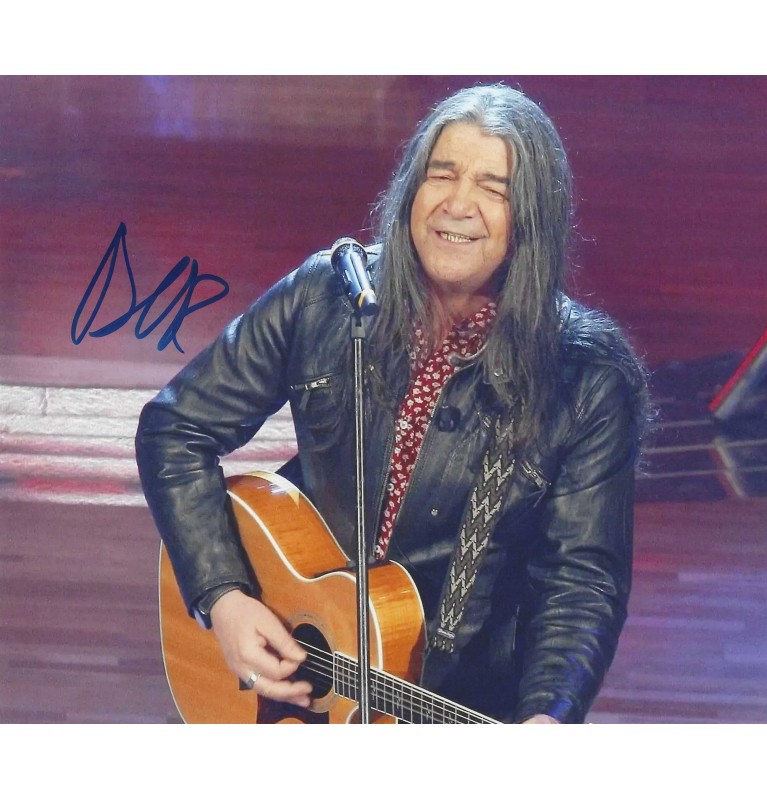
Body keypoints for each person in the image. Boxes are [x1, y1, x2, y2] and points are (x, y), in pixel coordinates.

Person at [136, 83, 652, 724]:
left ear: (533, 220)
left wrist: (549, 713)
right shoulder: (328, 295)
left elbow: (581, 581)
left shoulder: (587, 375)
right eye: (443, 174)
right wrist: (224, 597)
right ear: (412, 189)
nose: (458, 204)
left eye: (493, 188)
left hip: (452, 696)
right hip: (298, 674)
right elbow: (175, 427)